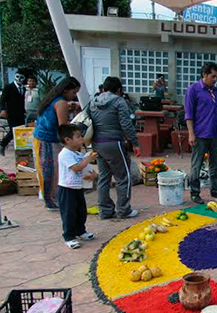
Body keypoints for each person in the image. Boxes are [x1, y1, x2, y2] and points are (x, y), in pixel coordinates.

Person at [90, 76, 141, 220]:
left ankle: (105, 211)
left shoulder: (93, 102)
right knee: (123, 177)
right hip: (115, 143)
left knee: (104, 178)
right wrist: (135, 143)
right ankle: (123, 210)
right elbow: (126, 124)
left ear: (104, 89)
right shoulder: (119, 102)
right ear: (119, 90)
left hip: (97, 144)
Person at [33, 76, 81, 210]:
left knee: (46, 170)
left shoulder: (52, 99)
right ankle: (53, 201)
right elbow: (63, 127)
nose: (74, 96)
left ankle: (49, 198)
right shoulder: (61, 103)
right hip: (49, 140)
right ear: (66, 90)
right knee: (53, 172)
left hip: (40, 137)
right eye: (74, 92)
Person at [186, 62, 217, 204]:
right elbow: (189, 114)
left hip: (215, 134)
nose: (215, 79)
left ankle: (215, 190)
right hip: (200, 134)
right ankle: (195, 193)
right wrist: (191, 133)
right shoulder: (193, 90)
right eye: (213, 76)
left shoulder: (215, 91)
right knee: (197, 165)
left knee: (214, 164)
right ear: (204, 75)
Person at [57, 125, 98, 249]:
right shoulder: (65, 154)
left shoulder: (77, 153)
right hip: (66, 189)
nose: (81, 139)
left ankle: (81, 231)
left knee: (81, 211)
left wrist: (93, 175)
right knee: (69, 213)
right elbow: (76, 168)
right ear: (67, 140)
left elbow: (84, 169)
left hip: (78, 188)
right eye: (78, 136)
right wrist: (88, 159)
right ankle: (69, 236)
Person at [0, 69, 28, 156]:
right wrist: (3, 109)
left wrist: (24, 112)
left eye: (21, 77)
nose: (19, 79)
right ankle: (2, 144)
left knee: (21, 130)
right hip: (11, 113)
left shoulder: (23, 88)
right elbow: (3, 100)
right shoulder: (9, 87)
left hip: (20, 114)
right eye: (17, 76)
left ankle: (20, 148)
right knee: (14, 130)